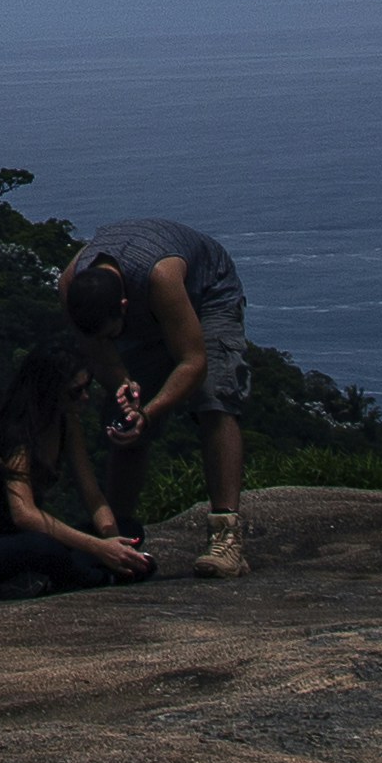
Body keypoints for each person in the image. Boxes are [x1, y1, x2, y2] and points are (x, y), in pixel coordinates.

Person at [60, 217, 250, 577]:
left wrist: (151, 410)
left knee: (215, 401)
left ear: (125, 306)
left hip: (206, 294)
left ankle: (227, 539)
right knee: (124, 419)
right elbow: (97, 349)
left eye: (114, 333)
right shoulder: (71, 284)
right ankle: (119, 537)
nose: (111, 340)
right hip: (147, 302)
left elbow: (193, 362)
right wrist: (127, 390)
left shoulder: (161, 278)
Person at [0, 347, 157, 597]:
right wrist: (98, 548)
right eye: (75, 392)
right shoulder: (15, 431)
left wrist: (117, 545)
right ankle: (90, 576)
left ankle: (84, 574)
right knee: (44, 549)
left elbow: (92, 494)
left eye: (87, 386)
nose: (85, 397)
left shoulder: (65, 421)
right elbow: (25, 515)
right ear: (49, 391)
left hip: (23, 537)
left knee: (130, 530)